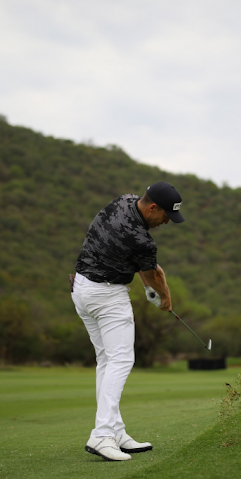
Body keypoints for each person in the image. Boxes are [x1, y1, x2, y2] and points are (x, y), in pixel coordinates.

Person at [70, 182, 185, 462]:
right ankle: (102, 434)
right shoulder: (142, 240)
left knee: (107, 361)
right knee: (121, 360)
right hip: (107, 296)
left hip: (82, 288)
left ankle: (116, 432)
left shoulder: (122, 201)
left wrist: (154, 278)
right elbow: (152, 277)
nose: (166, 222)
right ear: (153, 207)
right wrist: (166, 299)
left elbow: (147, 270)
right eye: (165, 216)